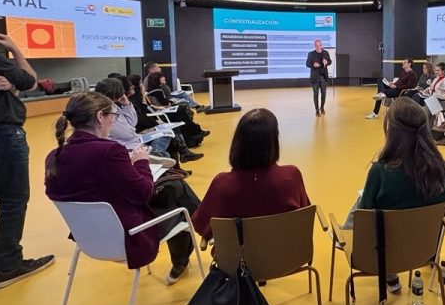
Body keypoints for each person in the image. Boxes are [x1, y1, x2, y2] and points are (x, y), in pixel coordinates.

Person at [45, 92, 197, 284]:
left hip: (89, 238)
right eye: (113, 116)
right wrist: (141, 162)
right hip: (129, 238)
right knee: (178, 197)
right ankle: (194, 245)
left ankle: (204, 228)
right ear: (100, 116)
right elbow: (143, 193)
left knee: (174, 189)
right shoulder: (109, 151)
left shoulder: (53, 157)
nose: (113, 122)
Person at [0, 7, 55, 288]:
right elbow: (29, 80)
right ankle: (9, 264)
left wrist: (9, 85)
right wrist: (15, 49)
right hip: (1, 135)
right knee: (13, 199)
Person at [347, 96, 445, 293]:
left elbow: (365, 218)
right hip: (425, 251)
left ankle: (390, 274)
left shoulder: (380, 171)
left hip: (383, 254)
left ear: (391, 130)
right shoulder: (442, 169)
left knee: (361, 204)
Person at [192, 108, 310, 241]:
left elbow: (200, 226)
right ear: (273, 142)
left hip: (236, 255)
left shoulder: (221, 185)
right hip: (286, 253)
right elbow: (304, 216)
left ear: (238, 142)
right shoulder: (291, 177)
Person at [94, 77, 203, 164]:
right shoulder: (107, 112)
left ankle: (164, 155)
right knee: (166, 149)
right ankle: (157, 155)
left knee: (170, 133)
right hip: (129, 146)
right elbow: (128, 132)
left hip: (133, 140)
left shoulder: (114, 106)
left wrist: (127, 104)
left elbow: (133, 122)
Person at [305, 39, 332, 116]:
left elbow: (330, 61)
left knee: (324, 93)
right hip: (315, 78)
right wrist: (313, 65)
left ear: (321, 45)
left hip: (323, 77)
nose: (318, 47)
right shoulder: (311, 54)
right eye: (316, 46)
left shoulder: (325, 53)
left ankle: (322, 107)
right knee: (316, 94)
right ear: (314, 46)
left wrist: (327, 62)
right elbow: (307, 64)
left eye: (319, 45)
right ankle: (317, 110)